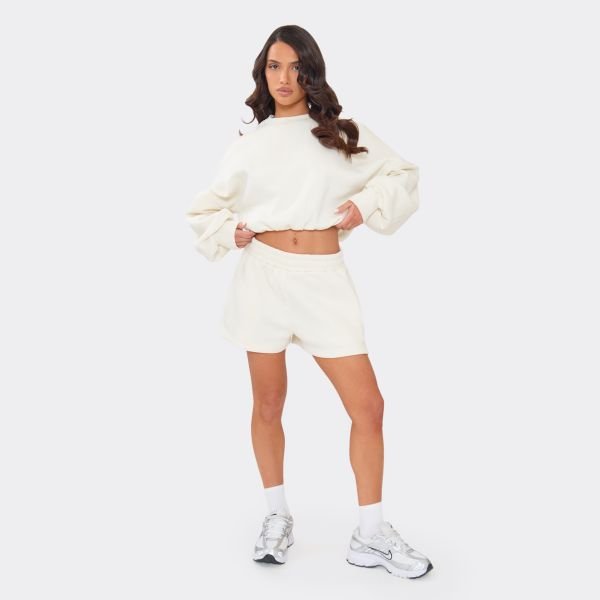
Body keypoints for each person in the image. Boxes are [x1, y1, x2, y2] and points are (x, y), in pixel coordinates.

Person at [185, 25, 433, 579]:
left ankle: (370, 533)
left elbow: (403, 174)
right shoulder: (250, 145)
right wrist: (231, 232)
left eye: (296, 67)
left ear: (311, 72)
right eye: (274, 66)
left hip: (324, 282)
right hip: (263, 279)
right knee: (268, 404)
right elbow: (204, 210)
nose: (284, 78)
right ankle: (277, 516)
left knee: (369, 407)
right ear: (262, 73)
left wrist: (366, 204)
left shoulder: (340, 135)